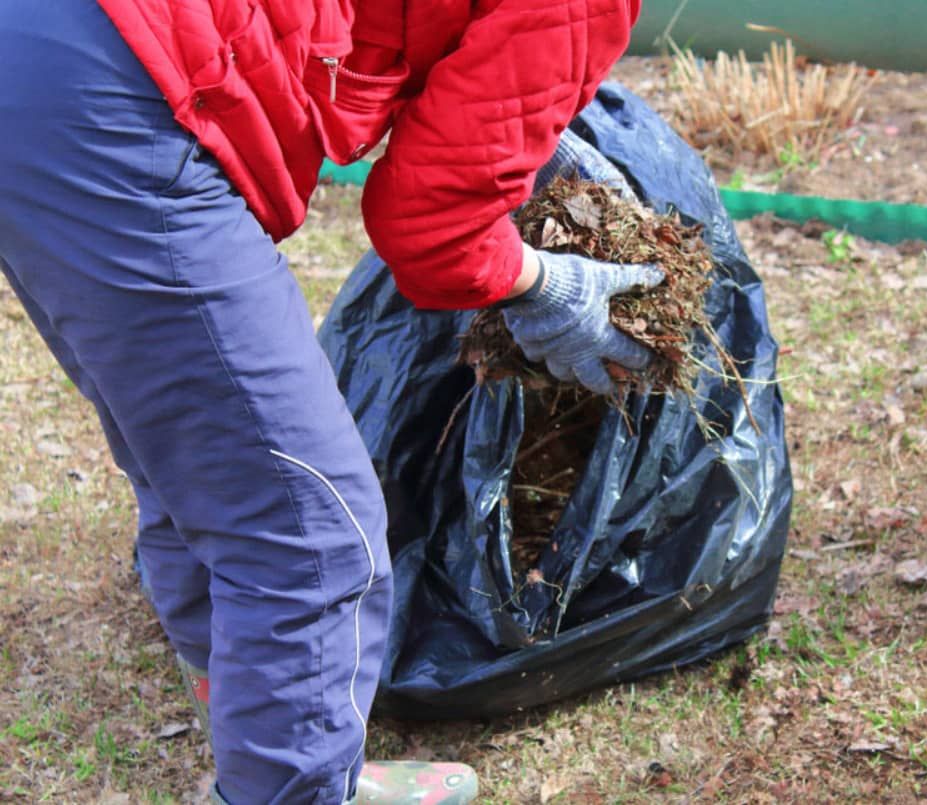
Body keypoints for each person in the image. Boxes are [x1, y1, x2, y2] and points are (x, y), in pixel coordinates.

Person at [0, 0, 657, 802]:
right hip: (123, 86)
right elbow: (432, 224)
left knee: (197, 448)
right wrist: (550, 284)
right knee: (308, 533)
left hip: (38, 54)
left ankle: (274, 746)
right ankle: (296, 785)